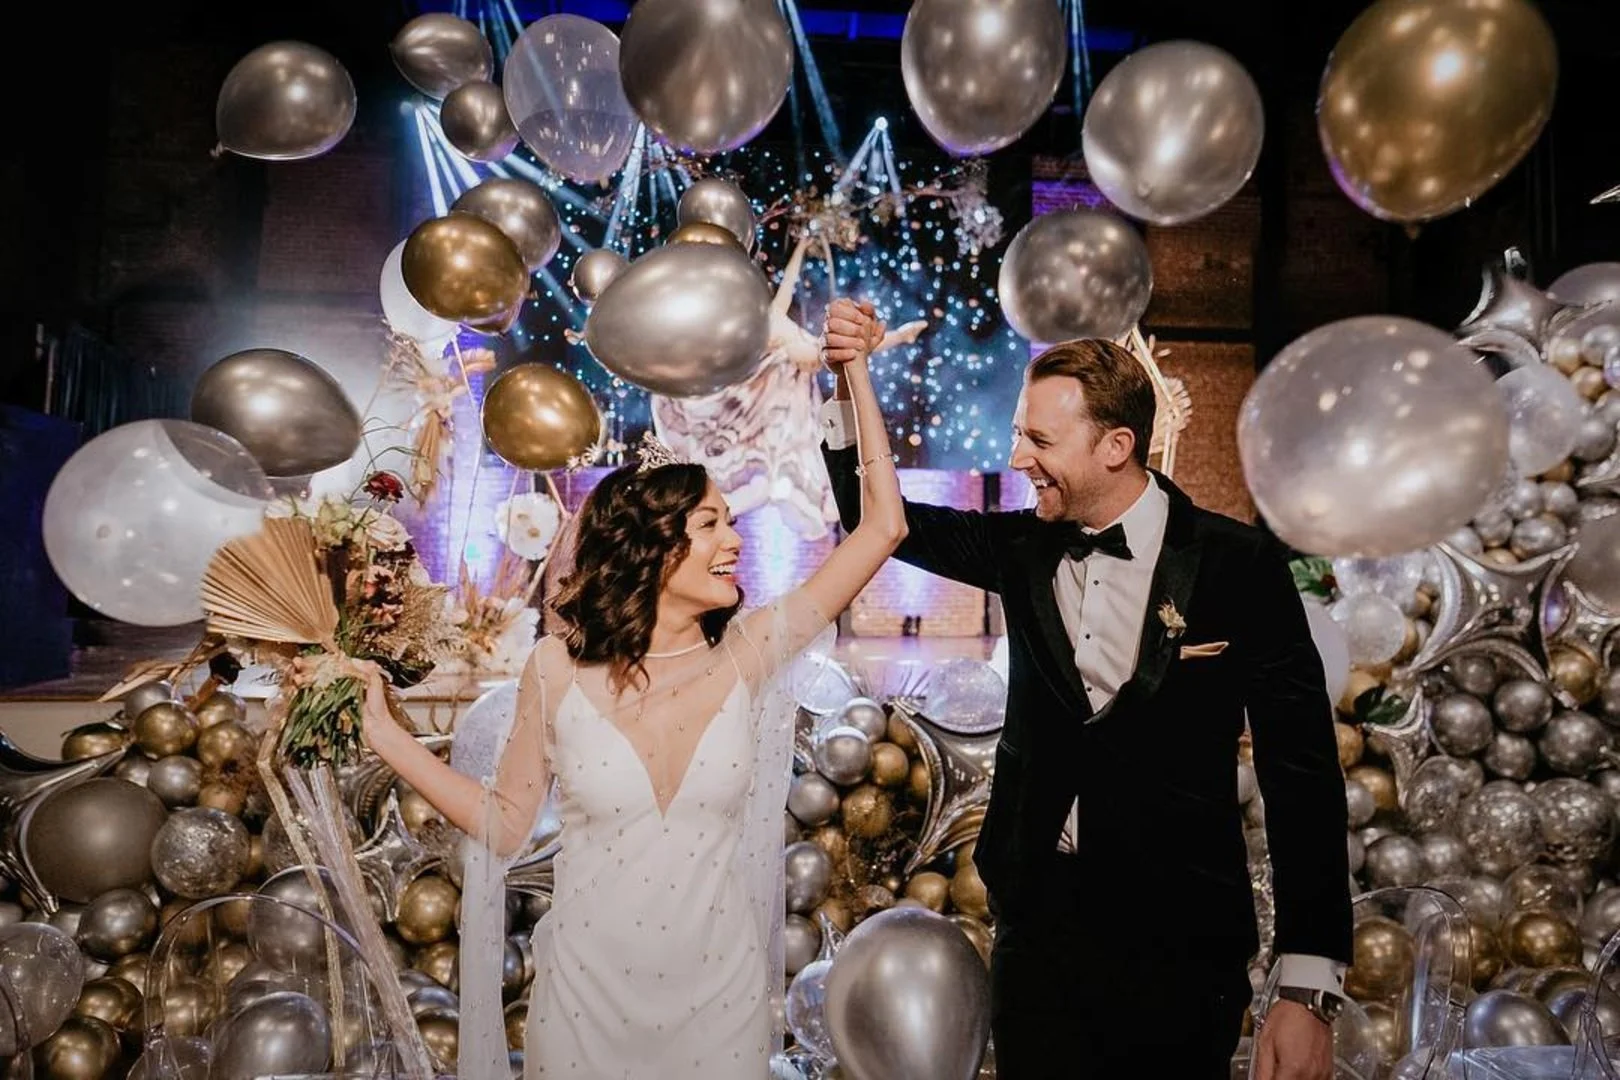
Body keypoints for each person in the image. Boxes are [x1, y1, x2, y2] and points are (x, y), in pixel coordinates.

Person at [357, 298, 905, 1080]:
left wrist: (853, 372)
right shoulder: (555, 670)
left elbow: (883, 527)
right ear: (653, 549)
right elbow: (507, 825)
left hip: (723, 1003)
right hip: (584, 1005)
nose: (736, 540)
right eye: (713, 524)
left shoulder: (748, 655)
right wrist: (388, 739)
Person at [819, 331, 1352, 1080]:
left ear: (1116, 445)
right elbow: (870, 513)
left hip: (1184, 943)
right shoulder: (1020, 549)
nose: (1017, 460)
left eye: (1039, 439)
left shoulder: (1241, 566)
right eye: (1017, 436)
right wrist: (848, 378)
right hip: (1038, 936)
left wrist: (1308, 980)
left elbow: (1302, 772)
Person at [648, 232, 925, 539]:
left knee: (845, 352)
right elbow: (787, 288)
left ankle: (901, 335)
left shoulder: (783, 331)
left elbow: (845, 340)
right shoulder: (768, 322)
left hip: (796, 374)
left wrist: (900, 335)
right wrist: (800, 249)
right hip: (776, 374)